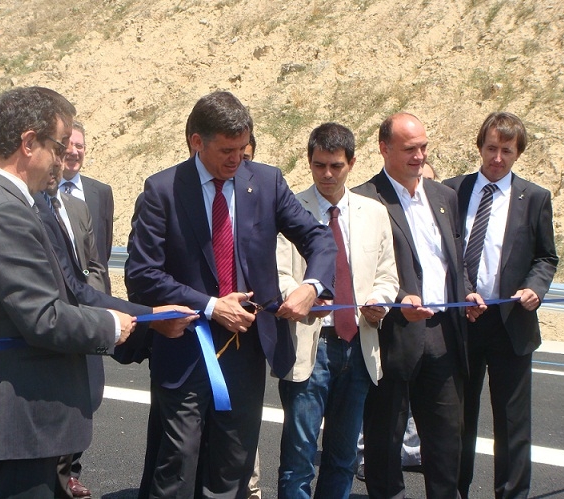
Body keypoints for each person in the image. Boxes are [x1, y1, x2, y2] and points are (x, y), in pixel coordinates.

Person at [126, 90, 337, 498]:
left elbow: (318, 238)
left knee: (233, 466)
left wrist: (312, 286)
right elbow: (141, 273)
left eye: (242, 149)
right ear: (196, 142)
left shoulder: (266, 181)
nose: (236, 159)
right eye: (226, 150)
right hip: (186, 345)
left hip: (247, 348)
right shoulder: (163, 190)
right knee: (177, 463)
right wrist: (209, 305)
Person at [0, 87, 137, 499]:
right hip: (13, 425)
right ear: (28, 143)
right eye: (58, 147)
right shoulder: (5, 209)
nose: (62, 161)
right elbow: (43, 317)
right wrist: (111, 325)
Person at [35, 148, 197, 499]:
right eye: (58, 147)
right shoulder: (20, 209)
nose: (64, 159)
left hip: (84, 327)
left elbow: (90, 273)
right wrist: (141, 319)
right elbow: (61, 300)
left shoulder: (76, 204)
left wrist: (140, 317)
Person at [352, 112, 485, 498]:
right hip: (392, 337)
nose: (419, 156)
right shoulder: (365, 199)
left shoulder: (444, 196)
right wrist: (395, 300)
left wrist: (468, 292)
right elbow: (361, 268)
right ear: (384, 148)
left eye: (423, 147)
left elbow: (454, 259)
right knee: (385, 439)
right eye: (410, 149)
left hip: (443, 333)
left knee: (446, 439)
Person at [276, 122, 399, 499]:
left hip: (359, 345)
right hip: (311, 347)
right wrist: (302, 296)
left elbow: (387, 274)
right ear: (309, 163)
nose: (327, 174)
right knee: (298, 460)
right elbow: (278, 273)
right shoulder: (291, 209)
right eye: (318, 166)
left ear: (352, 163)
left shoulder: (374, 213)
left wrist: (380, 302)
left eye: (335, 166)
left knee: (343, 458)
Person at [444, 112, 558, 498]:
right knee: (458, 419)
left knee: (512, 423)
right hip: (462, 321)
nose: (497, 157)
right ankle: (454, 491)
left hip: (512, 322)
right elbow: (443, 252)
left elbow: (546, 257)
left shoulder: (536, 198)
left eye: (506, 150)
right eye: (491, 148)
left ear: (517, 154)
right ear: (480, 147)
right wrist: (463, 291)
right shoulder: (451, 192)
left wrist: (534, 289)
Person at [354, 161, 438, 483]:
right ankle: (368, 460)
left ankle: (412, 454)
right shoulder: (371, 203)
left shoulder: (439, 206)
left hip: (436, 330)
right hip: (390, 327)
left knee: (436, 425)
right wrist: (396, 297)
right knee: (384, 422)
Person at [61, 122, 114, 294]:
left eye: (79, 146)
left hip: (97, 294)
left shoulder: (101, 192)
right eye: (68, 145)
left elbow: (103, 249)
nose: (74, 152)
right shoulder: (42, 191)